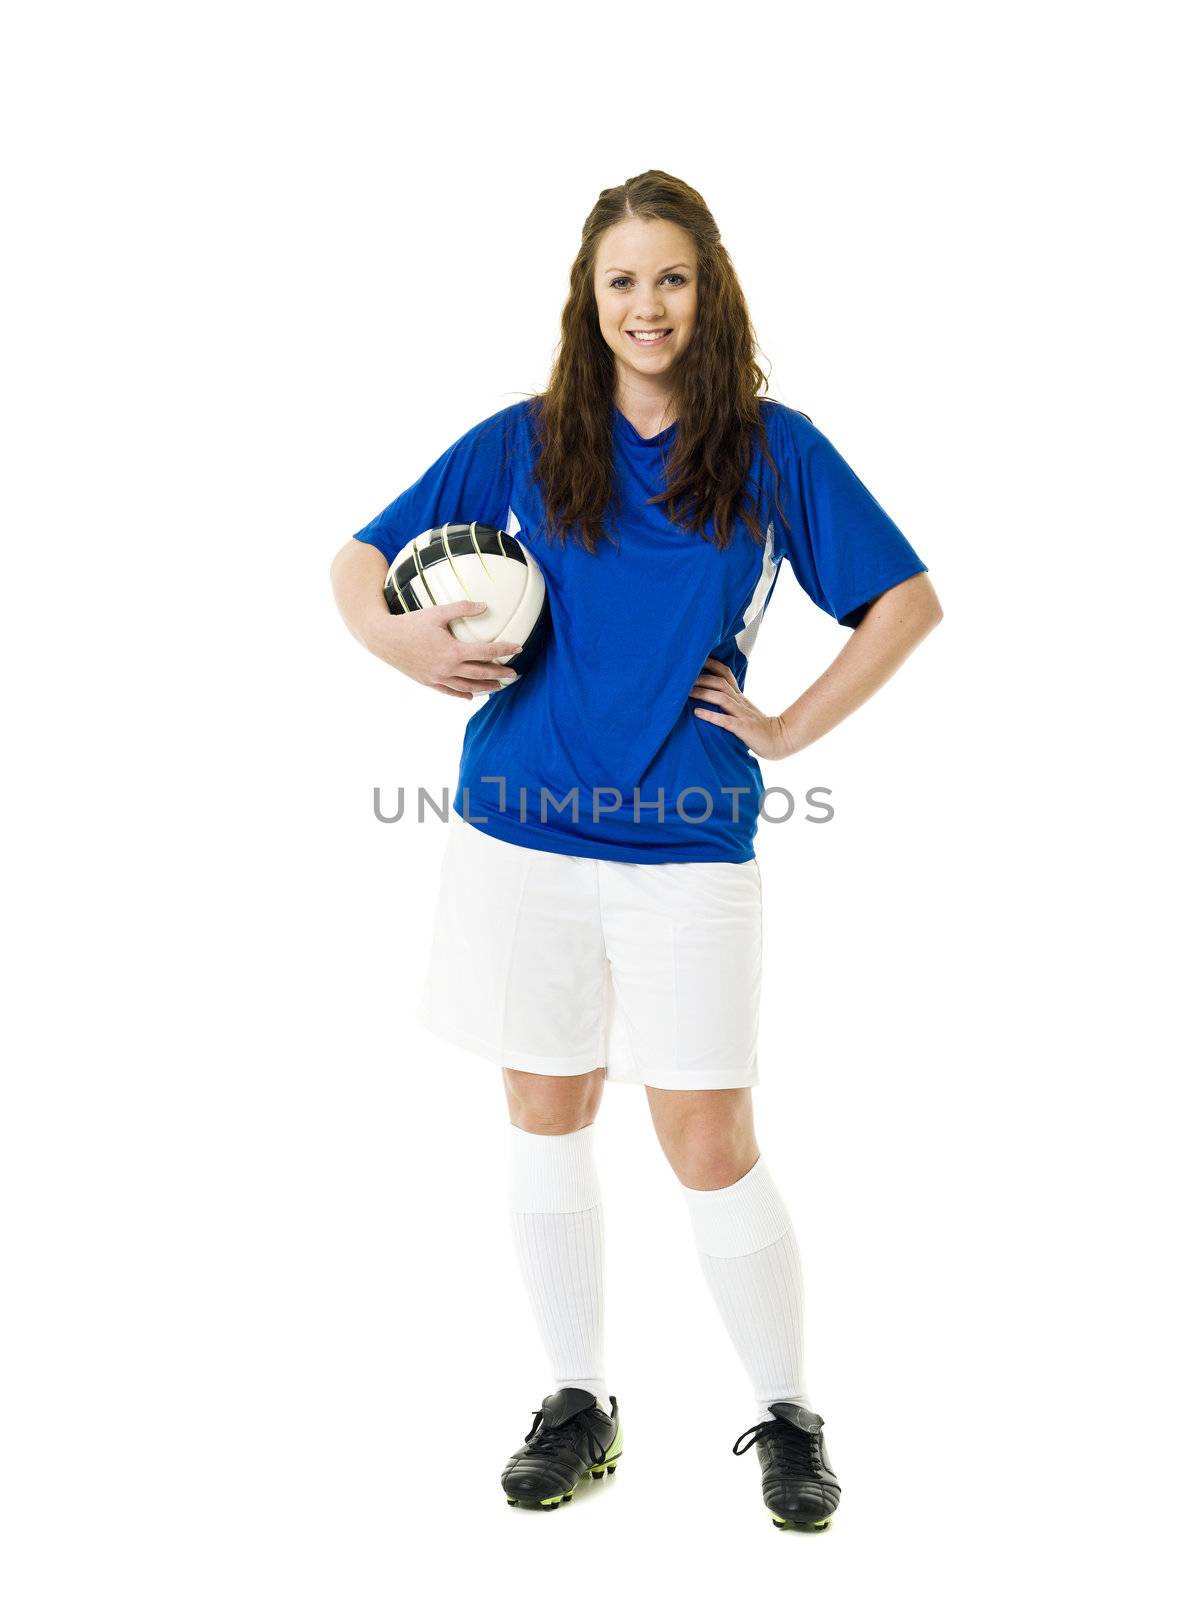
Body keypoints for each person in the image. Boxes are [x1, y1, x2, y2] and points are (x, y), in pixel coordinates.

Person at [330, 170, 944, 1531]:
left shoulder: (773, 449)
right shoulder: (525, 437)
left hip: (688, 842)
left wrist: (784, 729)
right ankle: (579, 1403)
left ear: (706, 290)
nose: (646, 304)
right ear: (589, 298)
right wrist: (395, 636)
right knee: (546, 1111)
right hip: (516, 832)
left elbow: (905, 600)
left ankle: (789, 1416)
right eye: (622, 281)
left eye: (670, 277)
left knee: (709, 1133)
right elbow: (358, 561)